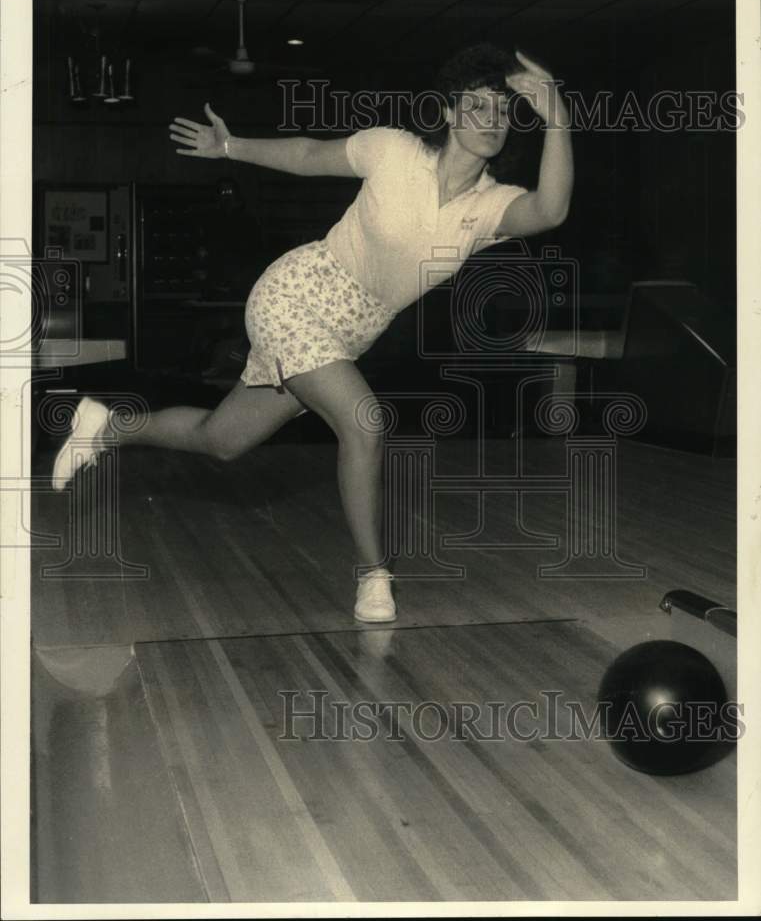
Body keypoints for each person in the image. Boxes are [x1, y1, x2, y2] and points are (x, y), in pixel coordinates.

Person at [52, 43, 573, 623]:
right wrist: (230, 146)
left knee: (221, 440)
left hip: (349, 335)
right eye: (477, 106)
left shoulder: (490, 207)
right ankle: (375, 575)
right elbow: (306, 153)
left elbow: (550, 211)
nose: (490, 122)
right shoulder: (394, 151)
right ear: (449, 112)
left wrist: (557, 116)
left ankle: (106, 426)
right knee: (364, 420)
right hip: (297, 295)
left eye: (502, 113)